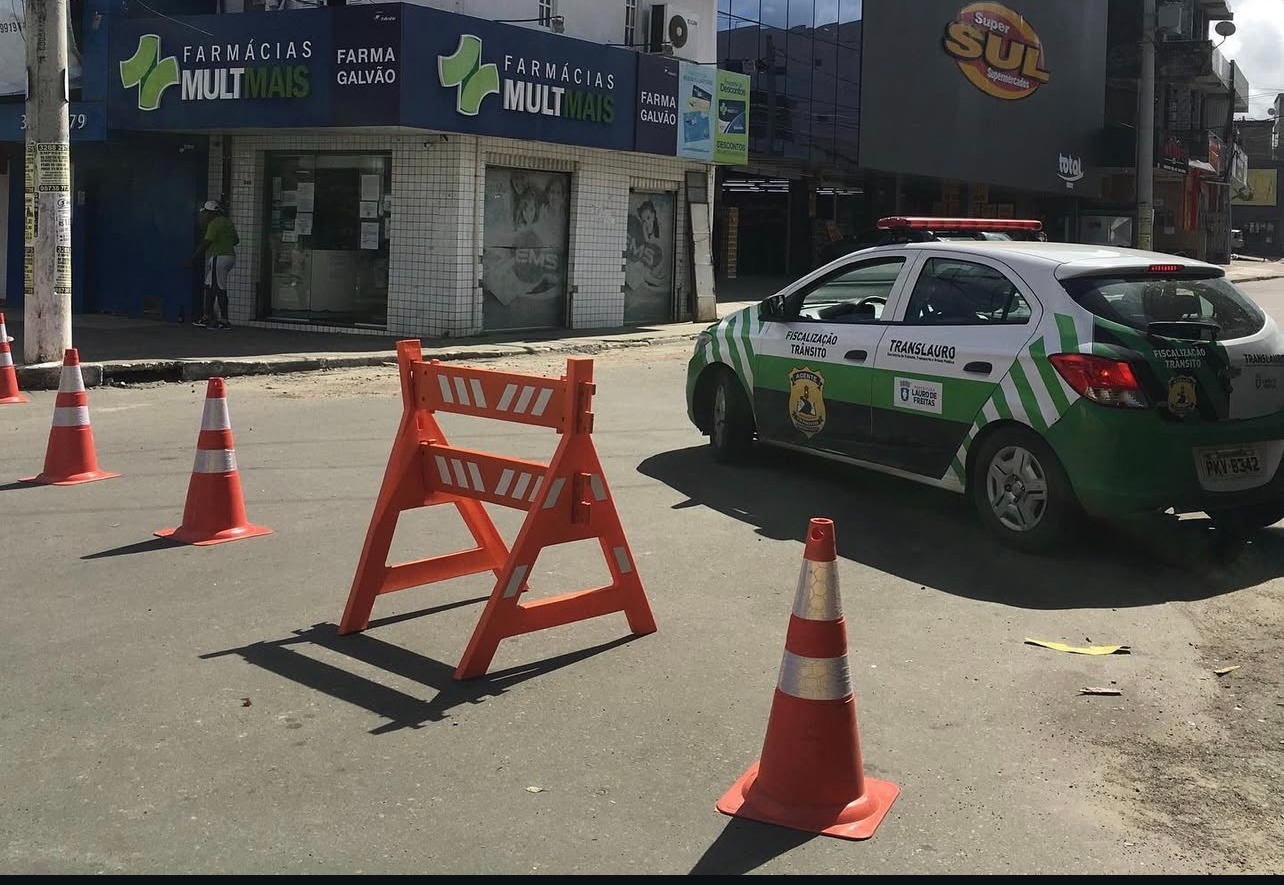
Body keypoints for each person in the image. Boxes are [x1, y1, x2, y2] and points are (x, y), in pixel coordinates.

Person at [188, 200, 238, 330]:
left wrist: (193, 258)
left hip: (218, 257)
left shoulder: (214, 223)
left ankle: (224, 320)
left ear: (210, 213)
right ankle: (206, 317)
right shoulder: (227, 222)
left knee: (219, 288)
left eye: (205, 213)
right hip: (229, 257)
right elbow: (235, 240)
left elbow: (206, 242)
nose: (203, 216)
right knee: (209, 287)